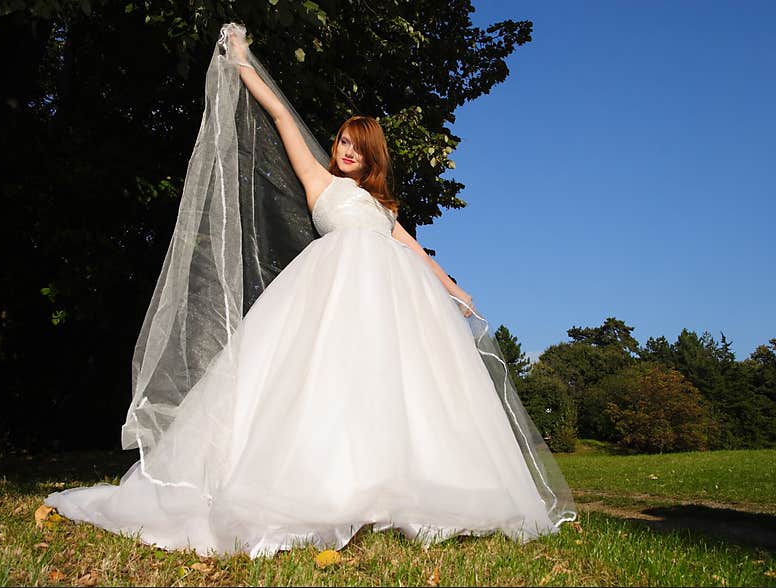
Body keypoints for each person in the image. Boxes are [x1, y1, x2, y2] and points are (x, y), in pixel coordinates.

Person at [44, 23, 576, 560]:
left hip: (394, 300)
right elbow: (280, 115)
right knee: (329, 382)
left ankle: (399, 491)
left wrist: (454, 289)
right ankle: (329, 488)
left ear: (372, 157)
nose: (346, 150)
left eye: (357, 146)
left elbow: (415, 250)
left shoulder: (381, 208)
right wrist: (243, 59)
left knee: (398, 388)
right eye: (343, 141)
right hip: (335, 290)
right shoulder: (319, 183)